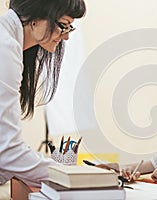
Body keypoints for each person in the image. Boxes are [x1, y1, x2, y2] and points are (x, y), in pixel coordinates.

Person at [0, 0, 86, 187]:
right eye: (63, 26)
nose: (66, 37)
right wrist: (76, 176)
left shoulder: (9, 41)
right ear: (36, 18)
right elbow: (7, 153)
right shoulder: (4, 48)